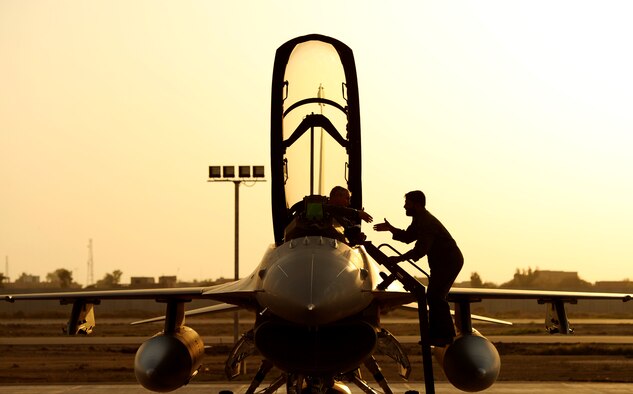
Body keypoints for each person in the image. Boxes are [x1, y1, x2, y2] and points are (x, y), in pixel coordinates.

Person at [373, 190, 463, 346]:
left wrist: (399, 258)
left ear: (416, 204)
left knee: (436, 296)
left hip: (448, 262)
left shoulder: (426, 223)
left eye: (407, 203)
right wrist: (391, 229)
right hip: (439, 263)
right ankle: (439, 335)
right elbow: (408, 237)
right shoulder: (419, 219)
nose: (404, 206)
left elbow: (420, 250)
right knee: (433, 296)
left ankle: (445, 336)